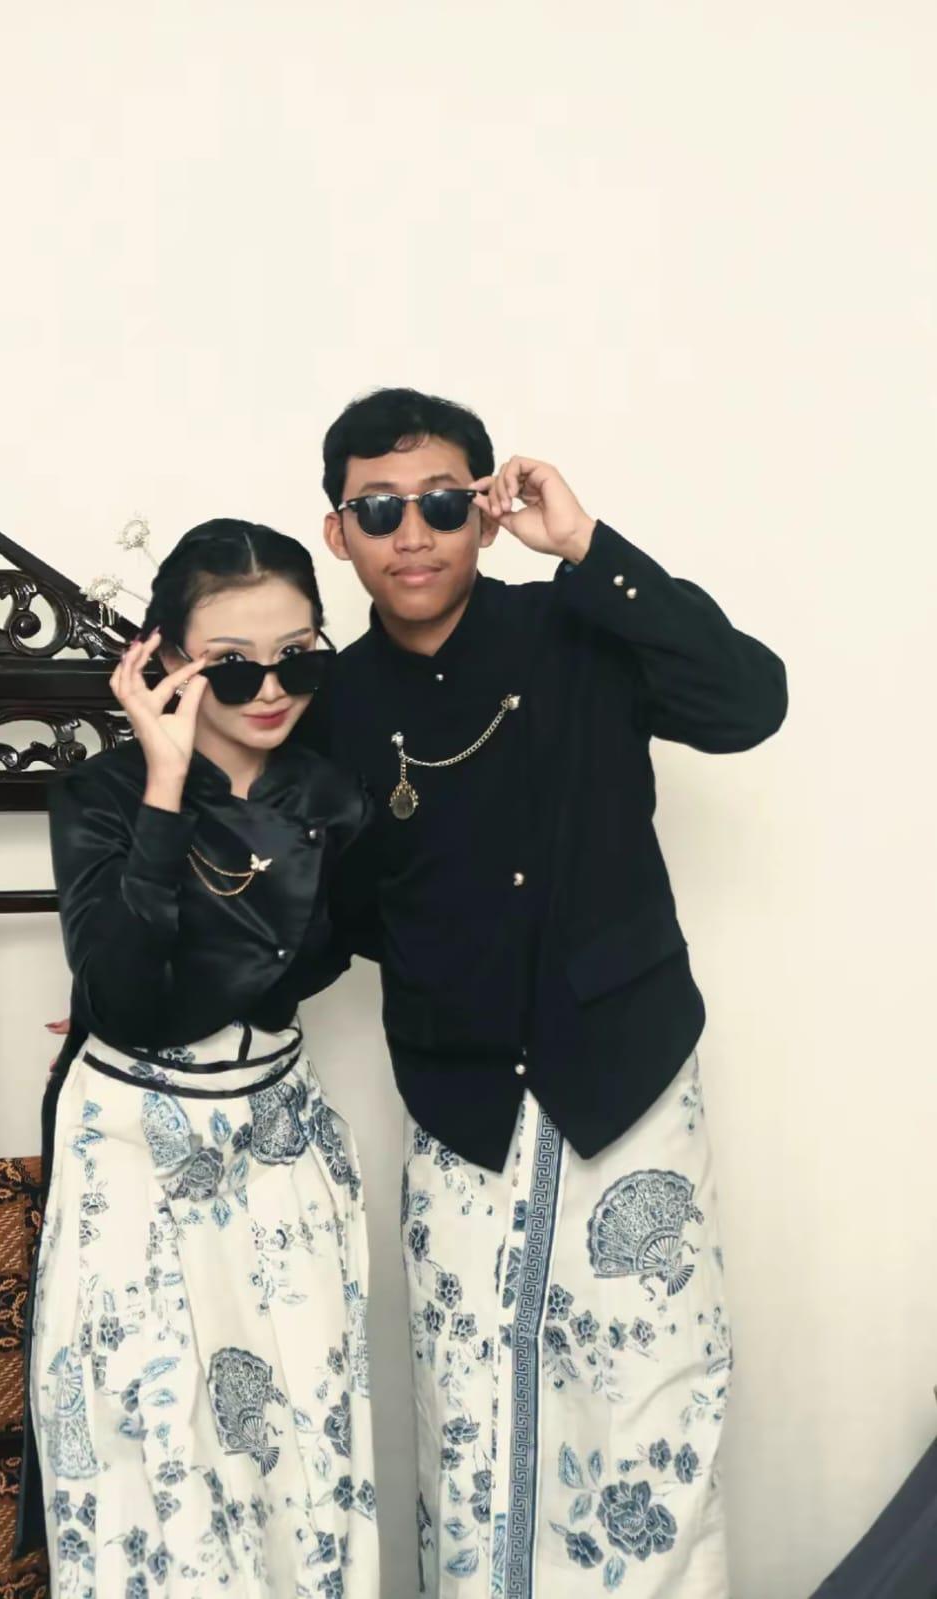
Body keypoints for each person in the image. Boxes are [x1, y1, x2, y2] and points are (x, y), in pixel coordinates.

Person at [307, 388, 788, 1598]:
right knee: (471, 1420)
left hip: (625, 1078)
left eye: (439, 503)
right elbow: (329, 916)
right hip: (461, 1103)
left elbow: (748, 702)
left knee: (650, 1407)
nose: (412, 533)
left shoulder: (578, 624)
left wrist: (584, 545)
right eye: (378, 509)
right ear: (338, 533)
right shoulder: (333, 708)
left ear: (483, 511)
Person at [17, 520, 379, 1598]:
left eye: (297, 659)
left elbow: (329, 956)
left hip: (277, 1138)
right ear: (166, 660)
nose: (269, 690)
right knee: (149, 1448)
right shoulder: (101, 796)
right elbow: (128, 1004)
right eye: (231, 666)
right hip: (134, 1146)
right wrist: (167, 784)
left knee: (301, 1444)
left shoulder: (333, 794)